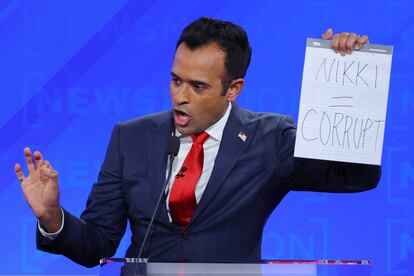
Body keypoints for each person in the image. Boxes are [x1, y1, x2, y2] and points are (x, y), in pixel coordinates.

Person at [15, 17, 379, 267]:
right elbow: (97, 245)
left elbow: (354, 175)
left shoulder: (271, 139)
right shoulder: (131, 137)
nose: (180, 96)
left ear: (233, 89)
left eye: (198, 86)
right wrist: (52, 217)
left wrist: (345, 84)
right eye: (176, 80)